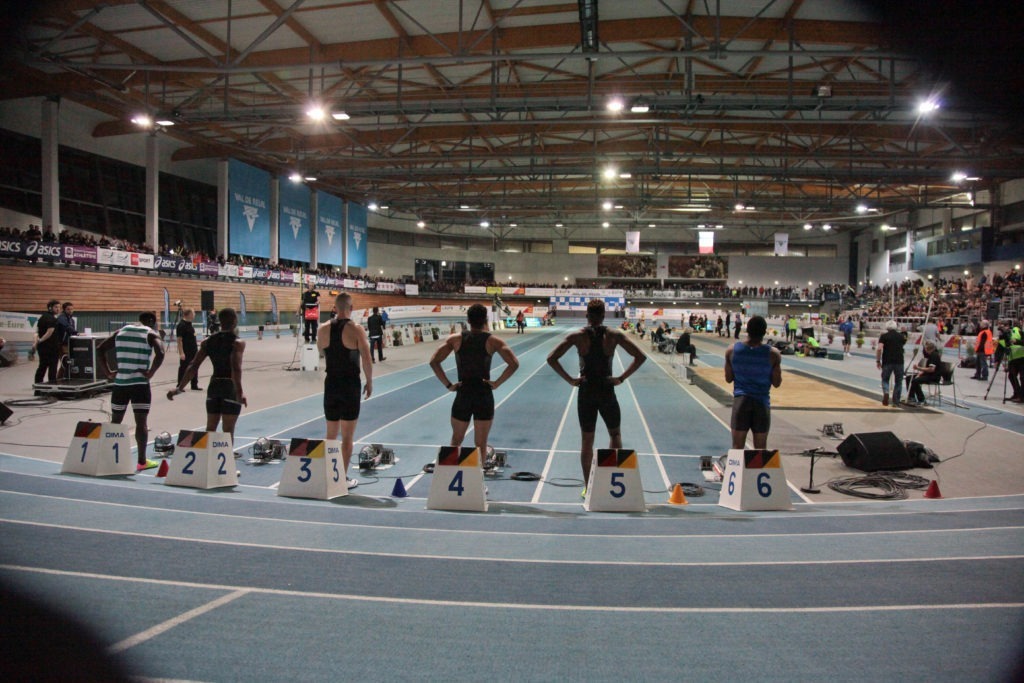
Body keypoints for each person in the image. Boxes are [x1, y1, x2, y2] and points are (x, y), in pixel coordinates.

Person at [547, 299, 647, 487]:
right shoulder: (614, 335)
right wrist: (621, 378)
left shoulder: (577, 336)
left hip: (586, 390)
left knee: (587, 440)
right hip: (606, 389)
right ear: (603, 315)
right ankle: (612, 483)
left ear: (587, 315)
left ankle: (588, 486)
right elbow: (640, 357)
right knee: (615, 435)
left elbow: (551, 358)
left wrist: (570, 379)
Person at [429, 303, 520, 461]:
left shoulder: (456, 339)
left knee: (456, 439)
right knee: (481, 444)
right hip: (483, 395)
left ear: (468, 320)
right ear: (485, 320)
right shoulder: (493, 341)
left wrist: (449, 385)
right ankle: (479, 482)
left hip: (463, 393)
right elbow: (514, 364)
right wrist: (497, 383)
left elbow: (434, 361)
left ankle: (449, 477)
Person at [97, 312, 165, 471]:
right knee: (141, 423)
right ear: (151, 322)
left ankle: (107, 459)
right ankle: (142, 461)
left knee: (115, 422)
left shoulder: (120, 332)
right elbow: (160, 352)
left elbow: (100, 349)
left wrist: (107, 373)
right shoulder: (149, 333)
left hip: (121, 384)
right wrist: (151, 372)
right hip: (139, 384)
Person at [316, 293, 372, 487]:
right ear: (351, 307)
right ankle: (341, 477)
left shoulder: (322, 329)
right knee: (347, 436)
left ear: (335, 307)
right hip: (349, 385)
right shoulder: (356, 329)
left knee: (330, 434)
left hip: (331, 383)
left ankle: (326, 475)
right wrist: (370, 381)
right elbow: (366, 358)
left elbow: (321, 351)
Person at [168, 308, 247, 441]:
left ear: (219, 321)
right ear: (235, 321)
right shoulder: (237, 343)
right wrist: (239, 392)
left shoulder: (208, 342)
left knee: (210, 428)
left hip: (214, 386)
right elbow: (236, 368)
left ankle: (208, 459)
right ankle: (226, 459)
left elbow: (193, 366)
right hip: (229, 387)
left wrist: (180, 388)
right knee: (227, 431)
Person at [724, 316, 782, 449]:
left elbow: (728, 379)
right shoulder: (773, 354)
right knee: (760, 449)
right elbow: (777, 383)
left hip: (741, 403)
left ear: (747, 330)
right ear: (764, 332)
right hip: (761, 403)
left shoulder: (732, 351)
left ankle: (736, 470)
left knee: (737, 447)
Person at [876, 320, 905, 406]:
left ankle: (886, 392)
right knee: (899, 381)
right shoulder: (901, 336)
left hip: (887, 361)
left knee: (885, 379)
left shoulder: (884, 336)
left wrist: (878, 360)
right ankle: (896, 401)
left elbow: (879, 349)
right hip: (899, 361)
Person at [906, 340, 942, 406]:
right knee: (909, 378)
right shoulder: (931, 355)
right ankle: (911, 397)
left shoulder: (934, 355)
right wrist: (921, 373)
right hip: (928, 374)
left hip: (933, 376)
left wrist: (918, 368)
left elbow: (931, 369)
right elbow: (928, 369)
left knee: (915, 381)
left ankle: (922, 399)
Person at [32, 299, 60, 384]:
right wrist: (40, 341)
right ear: (50, 308)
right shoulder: (52, 319)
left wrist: (36, 343)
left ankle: (38, 388)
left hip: (42, 348)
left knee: (42, 367)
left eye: (59, 307)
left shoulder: (42, 317)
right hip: (51, 347)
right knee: (52, 368)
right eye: (56, 307)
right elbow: (49, 332)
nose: (58, 309)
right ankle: (52, 388)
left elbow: (37, 332)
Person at [175, 308, 201, 391]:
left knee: (194, 367)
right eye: (193, 313)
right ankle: (180, 385)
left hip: (193, 349)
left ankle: (194, 384)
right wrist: (181, 353)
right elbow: (179, 340)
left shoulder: (190, 324)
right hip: (186, 350)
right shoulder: (181, 325)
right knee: (183, 368)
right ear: (189, 314)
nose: (194, 315)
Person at [56, 302, 78, 376]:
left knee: (69, 362)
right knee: (64, 362)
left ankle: (66, 377)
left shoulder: (72, 320)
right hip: (62, 344)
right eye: (68, 309)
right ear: (64, 309)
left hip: (69, 344)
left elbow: (72, 332)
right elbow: (68, 328)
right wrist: (77, 333)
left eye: (72, 309)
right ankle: (59, 378)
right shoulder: (61, 318)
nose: (70, 311)